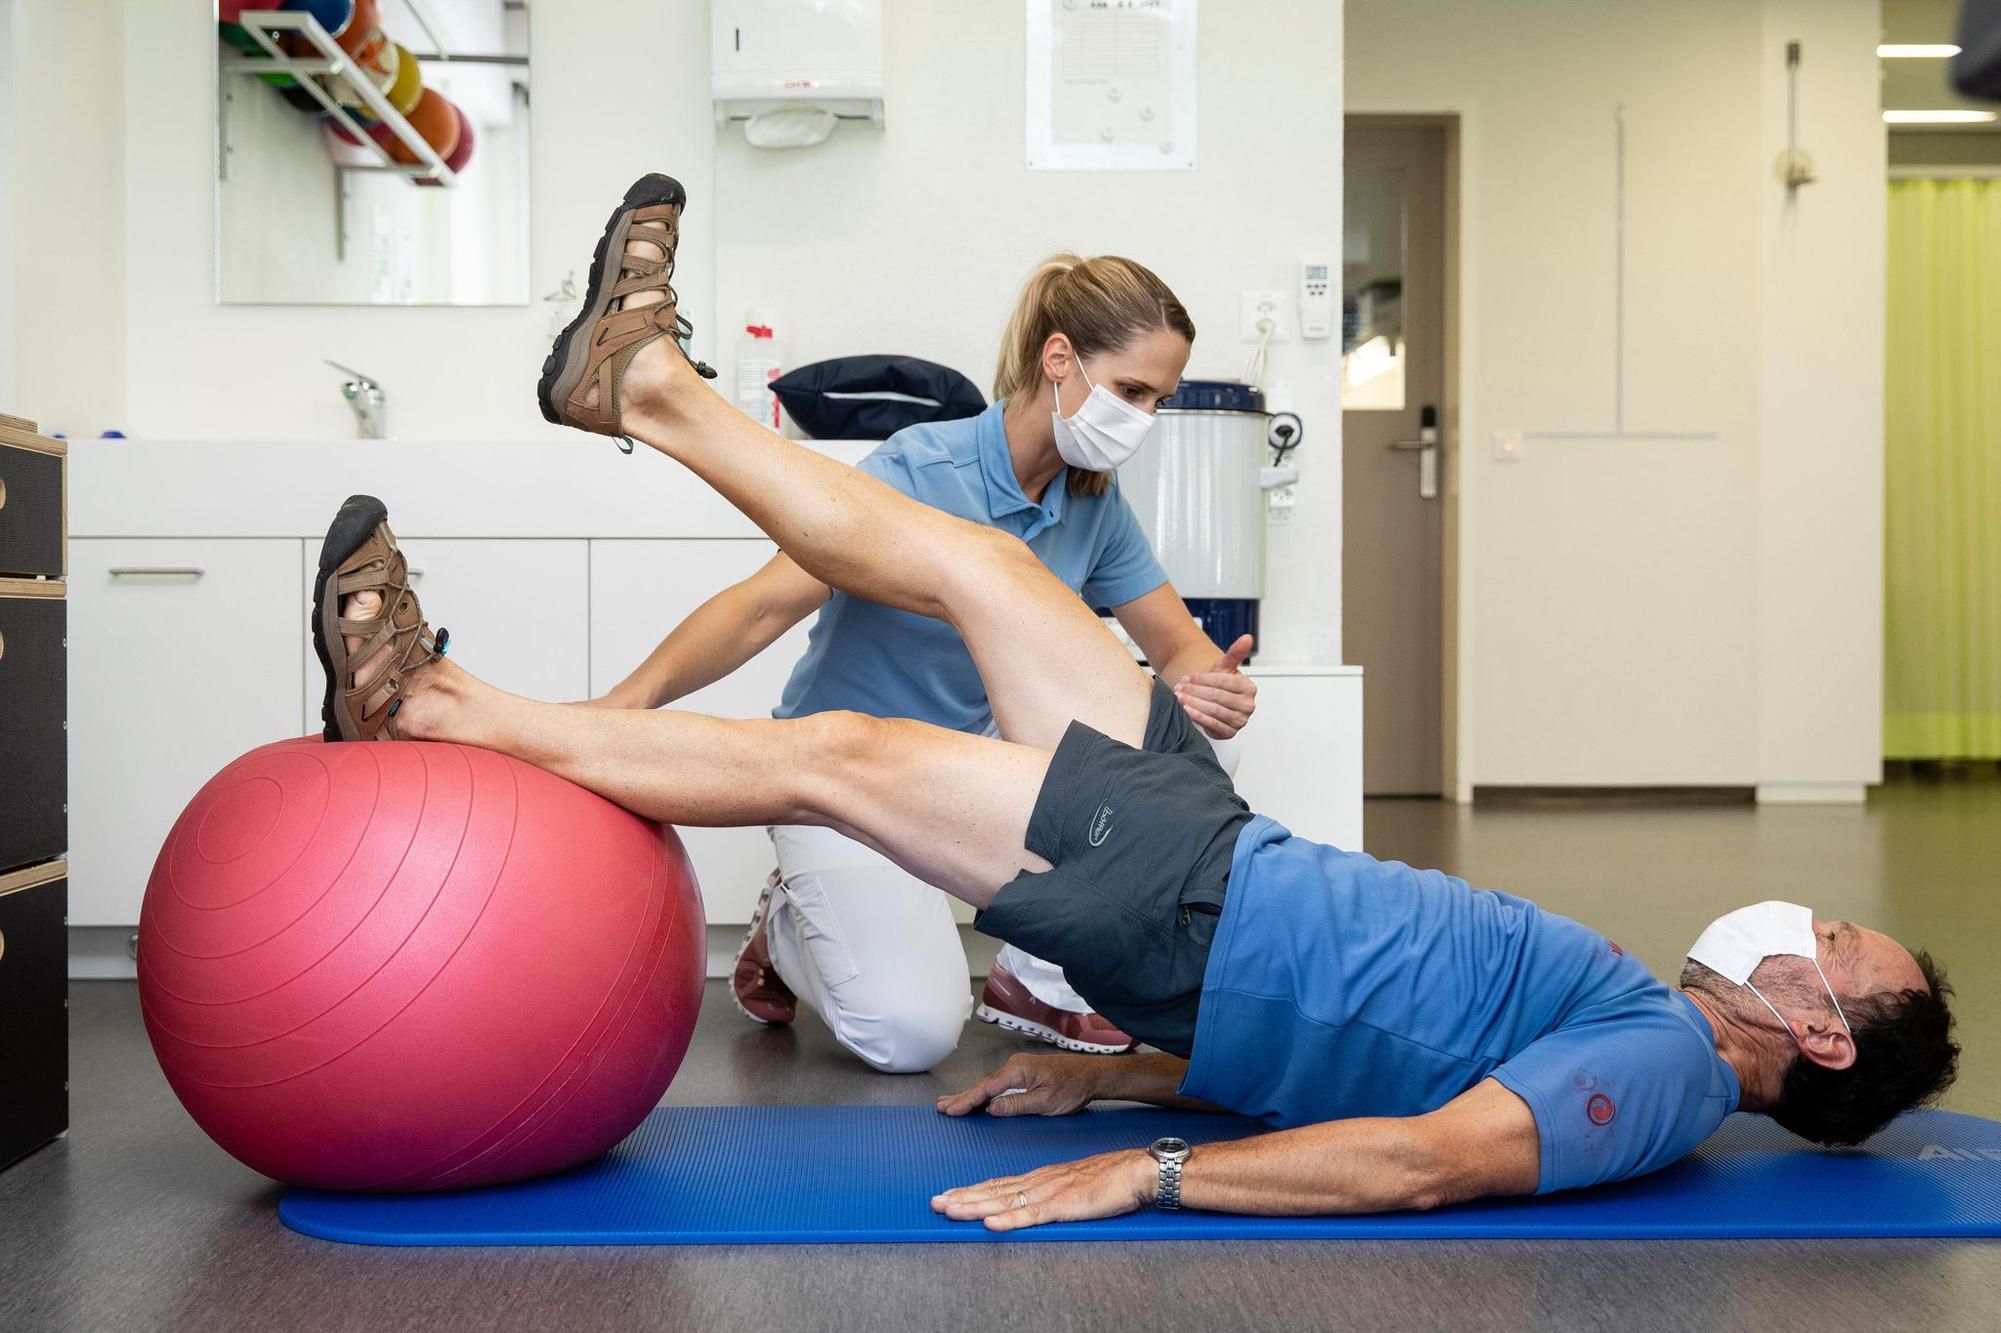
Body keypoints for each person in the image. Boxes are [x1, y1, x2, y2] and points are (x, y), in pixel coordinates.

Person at [314, 173, 1958, 1231]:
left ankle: (429, 702)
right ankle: (645, 386)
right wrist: (1131, 1077)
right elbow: (1374, 1054)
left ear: (1814, 1029)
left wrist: (1150, 1174)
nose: (1811, 919)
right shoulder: (1640, 1025)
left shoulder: (1660, 1078)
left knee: (829, 756)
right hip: (1218, 857)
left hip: (1189, 902)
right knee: (967, 556)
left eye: (1838, 945)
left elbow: (1423, 1153)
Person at [588, 252, 1257, 1073]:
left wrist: (1208, 682)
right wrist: (630, 699)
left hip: (967, 781)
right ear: (1059, 360)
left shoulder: (1091, 501)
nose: (1144, 418)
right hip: (845, 777)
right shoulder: (919, 469)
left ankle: (1037, 967)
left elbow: (1176, 645)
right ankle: (790, 930)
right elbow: (765, 601)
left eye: (1159, 399)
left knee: (1193, 737)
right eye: (1131, 392)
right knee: (910, 1036)